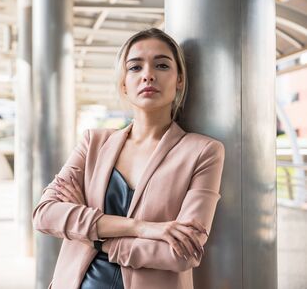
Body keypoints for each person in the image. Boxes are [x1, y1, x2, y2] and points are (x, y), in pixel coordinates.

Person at [32, 28, 226, 289]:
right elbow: (44, 214)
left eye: (162, 65)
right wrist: (143, 228)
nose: (148, 75)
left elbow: (184, 252)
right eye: (135, 67)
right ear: (123, 83)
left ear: (179, 79)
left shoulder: (203, 151)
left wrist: (93, 235)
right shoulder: (93, 144)